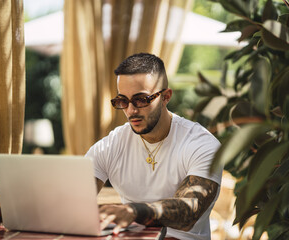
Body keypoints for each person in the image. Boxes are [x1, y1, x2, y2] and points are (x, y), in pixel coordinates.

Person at [85, 53, 223, 240]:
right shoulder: (113, 144)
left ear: (166, 97)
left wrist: (135, 211)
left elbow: (189, 210)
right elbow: (74, 200)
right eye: (123, 101)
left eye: (141, 99)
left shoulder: (202, 144)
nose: (131, 111)